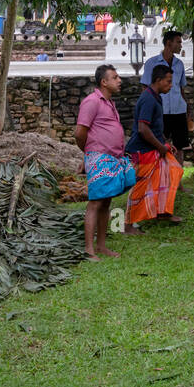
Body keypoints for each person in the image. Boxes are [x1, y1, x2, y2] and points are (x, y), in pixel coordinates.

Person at [74, 64, 135, 260]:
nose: (119, 81)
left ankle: (101, 245)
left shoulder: (109, 103)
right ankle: (88, 249)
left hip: (113, 158)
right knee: (95, 202)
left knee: (106, 201)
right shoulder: (91, 102)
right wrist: (90, 154)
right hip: (100, 158)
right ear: (104, 82)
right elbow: (79, 133)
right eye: (115, 77)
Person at [125, 63, 185, 228]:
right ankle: (128, 225)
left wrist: (165, 143)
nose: (171, 85)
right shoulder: (148, 99)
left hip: (154, 148)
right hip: (142, 151)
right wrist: (160, 147)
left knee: (172, 171)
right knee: (140, 186)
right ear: (158, 80)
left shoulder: (155, 97)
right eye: (168, 81)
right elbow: (143, 129)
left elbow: (154, 127)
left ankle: (163, 212)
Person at [142, 30, 193, 193]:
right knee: (159, 146)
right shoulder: (151, 63)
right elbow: (145, 88)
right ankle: (159, 181)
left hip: (178, 110)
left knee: (180, 147)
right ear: (168, 43)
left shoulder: (179, 64)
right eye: (178, 42)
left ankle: (177, 183)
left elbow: (181, 88)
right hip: (160, 112)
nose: (180, 45)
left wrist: (187, 109)